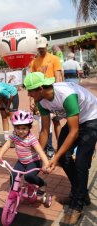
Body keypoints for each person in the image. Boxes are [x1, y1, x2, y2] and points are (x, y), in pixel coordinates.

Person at [24, 72, 97, 225]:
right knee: (65, 158)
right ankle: (81, 192)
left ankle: (77, 204)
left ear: (41, 88)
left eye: (31, 90)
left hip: (91, 119)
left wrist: (54, 158)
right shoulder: (42, 101)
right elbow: (44, 131)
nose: (29, 94)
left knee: (81, 163)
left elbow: (74, 132)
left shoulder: (66, 95)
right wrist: (37, 154)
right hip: (75, 123)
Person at [0, 110, 50, 194]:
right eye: (18, 128)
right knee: (13, 174)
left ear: (29, 127)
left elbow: (40, 151)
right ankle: (13, 192)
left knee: (29, 176)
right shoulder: (14, 135)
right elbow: (7, 144)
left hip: (34, 162)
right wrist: (0, 155)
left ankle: (42, 184)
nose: (20, 131)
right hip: (21, 162)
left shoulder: (31, 138)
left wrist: (47, 164)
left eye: (24, 128)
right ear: (14, 128)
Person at [31, 37, 62, 156]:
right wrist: (32, 100)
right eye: (39, 48)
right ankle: (46, 148)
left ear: (47, 46)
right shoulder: (34, 62)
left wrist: (58, 97)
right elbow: (33, 82)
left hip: (53, 94)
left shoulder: (54, 59)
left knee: (56, 122)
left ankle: (60, 147)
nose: (41, 50)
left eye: (43, 47)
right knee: (44, 123)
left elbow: (58, 76)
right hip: (41, 96)